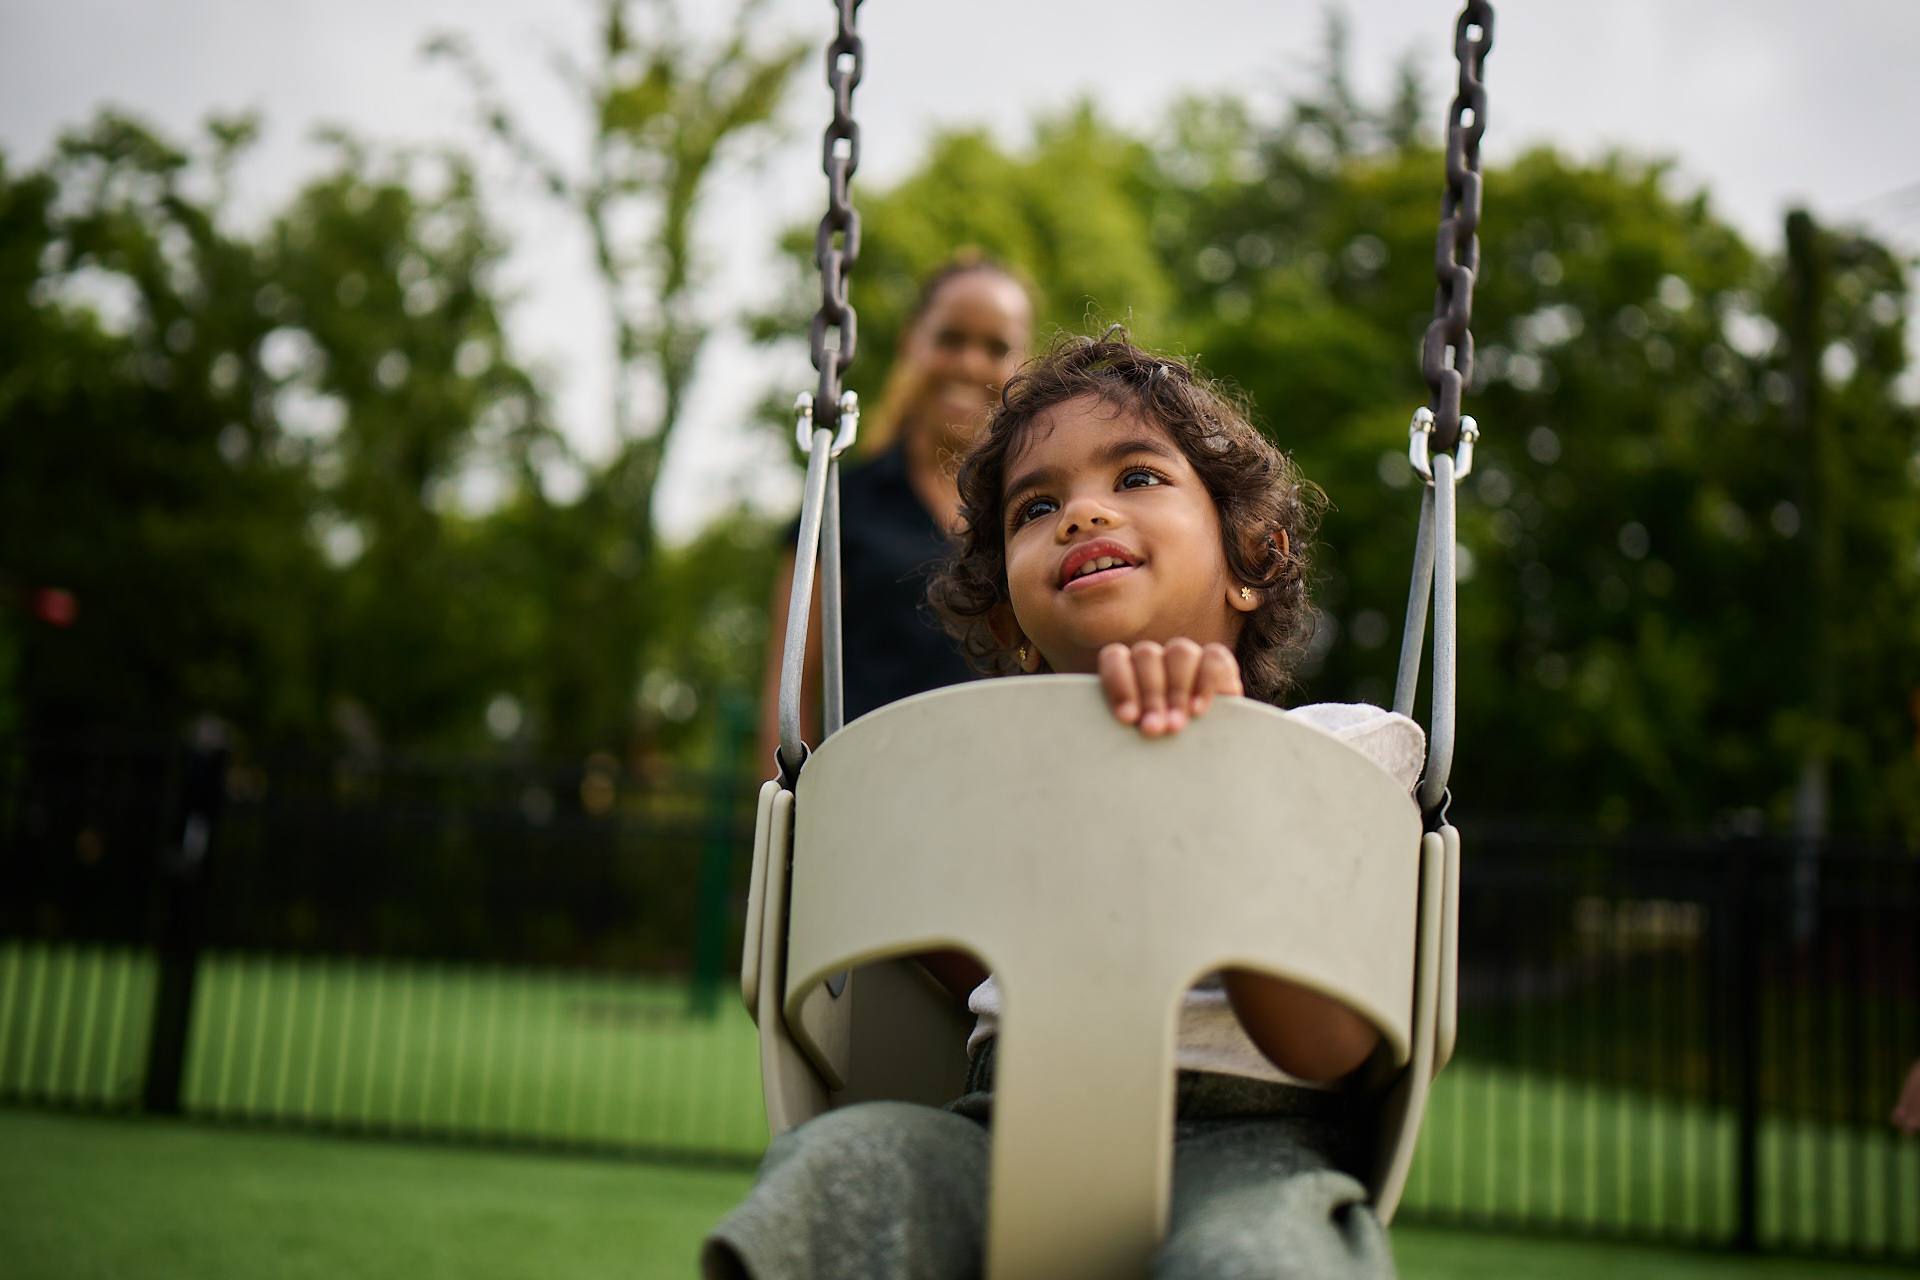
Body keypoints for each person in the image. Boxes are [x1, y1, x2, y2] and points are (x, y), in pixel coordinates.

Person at [707, 331, 1424, 1280]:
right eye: (1036, 507)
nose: (1083, 513)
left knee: (1262, 1261)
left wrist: (1214, 770)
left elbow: (1326, 1045)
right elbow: (969, 960)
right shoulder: (995, 789)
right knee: (846, 1165)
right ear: (1010, 622)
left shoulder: (1336, 749)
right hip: (1001, 1125)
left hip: (1248, 1149)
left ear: (1252, 557)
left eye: (1136, 478)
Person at [756, 253, 1035, 772]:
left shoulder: (1038, 508)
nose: (971, 364)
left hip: (1014, 800)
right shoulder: (841, 500)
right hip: (878, 803)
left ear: (1023, 362)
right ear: (913, 341)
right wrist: (793, 835)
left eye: (996, 347)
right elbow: (788, 695)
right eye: (951, 339)